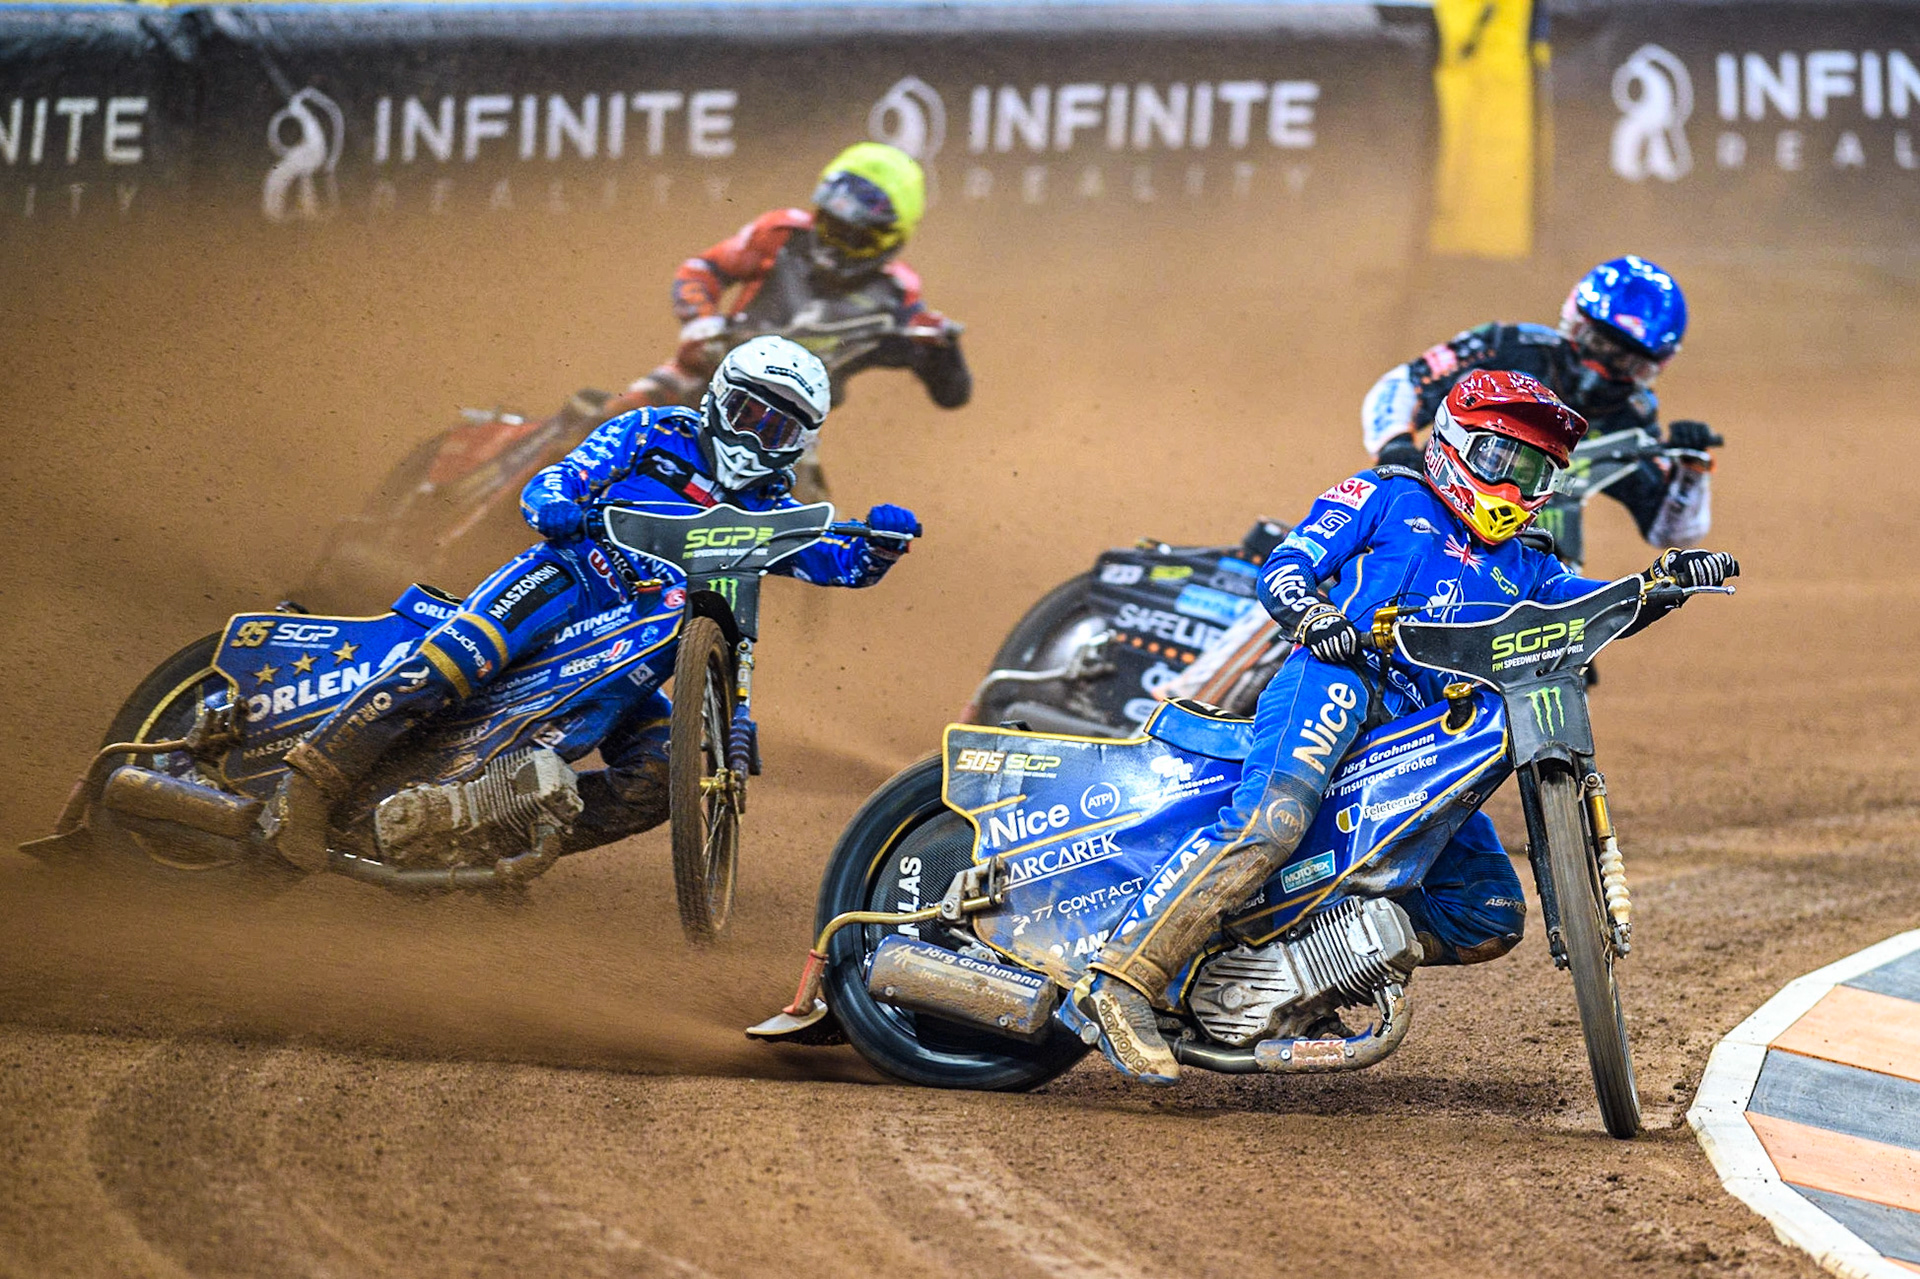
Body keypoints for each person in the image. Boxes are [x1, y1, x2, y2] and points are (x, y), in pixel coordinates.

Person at [1065, 370, 1737, 1085]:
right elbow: (1289, 563)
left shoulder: (1532, 562)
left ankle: (1298, 974)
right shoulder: (1388, 493)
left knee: (1488, 913)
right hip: (1339, 678)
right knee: (1274, 821)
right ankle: (1120, 981)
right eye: (1501, 460)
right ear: (1451, 441)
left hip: (1429, 735)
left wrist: (1661, 584)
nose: (1512, 486)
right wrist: (1315, 618)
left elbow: (1589, 608)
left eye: (1534, 471)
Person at [264, 337, 922, 871]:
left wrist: (881, 547)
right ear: (720, 399)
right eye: (751, 415)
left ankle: (494, 837)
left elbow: (839, 562)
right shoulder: (650, 429)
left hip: (639, 644)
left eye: (779, 430)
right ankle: (308, 783)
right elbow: (564, 475)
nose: (757, 439)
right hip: (567, 580)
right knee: (461, 656)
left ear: (800, 443)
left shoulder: (771, 509)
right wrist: (554, 504)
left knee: (669, 770)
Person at [612, 142, 970, 496]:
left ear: (889, 238)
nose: (835, 244)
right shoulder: (781, 234)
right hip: (702, 377)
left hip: (784, 425)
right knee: (602, 425)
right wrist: (702, 326)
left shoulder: (895, 293)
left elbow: (952, 393)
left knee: (806, 522)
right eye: (830, 225)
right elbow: (702, 269)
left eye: (854, 235)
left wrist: (943, 352)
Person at [1361, 255, 1716, 556]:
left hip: (1535, 563)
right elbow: (1404, 383)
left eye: (1624, 362)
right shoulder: (1507, 346)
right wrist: (1396, 446)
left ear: (1650, 369)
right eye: (1597, 344)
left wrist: (1691, 472)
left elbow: (1671, 535)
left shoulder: (1633, 419)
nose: (1600, 369)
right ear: (1574, 324)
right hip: (1429, 517)